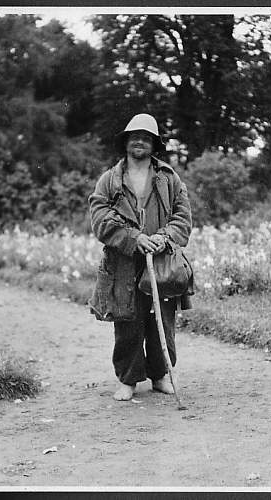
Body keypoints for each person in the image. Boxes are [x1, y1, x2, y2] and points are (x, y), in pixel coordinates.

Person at [88, 113, 193, 401]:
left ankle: (160, 375)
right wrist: (135, 239)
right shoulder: (109, 180)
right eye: (134, 136)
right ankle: (129, 380)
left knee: (162, 319)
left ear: (154, 144)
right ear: (125, 142)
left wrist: (161, 238)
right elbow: (100, 219)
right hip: (123, 263)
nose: (139, 142)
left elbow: (183, 218)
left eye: (146, 138)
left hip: (161, 262)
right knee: (127, 323)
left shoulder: (169, 179)